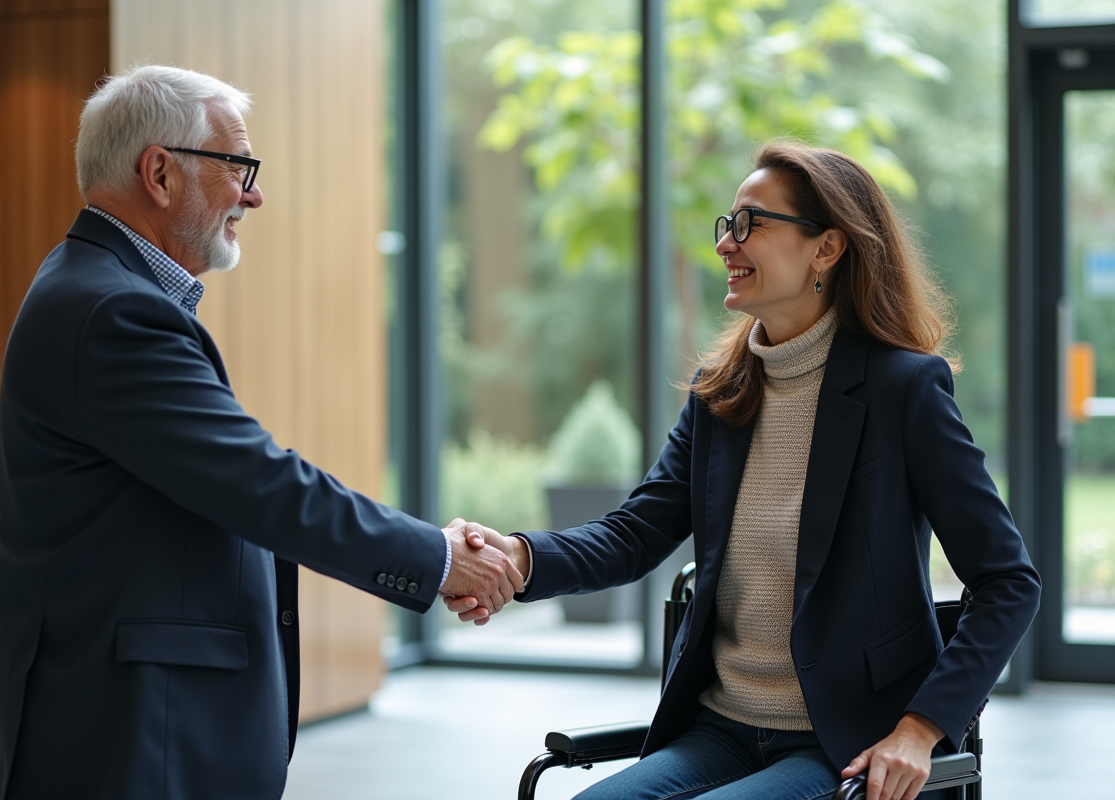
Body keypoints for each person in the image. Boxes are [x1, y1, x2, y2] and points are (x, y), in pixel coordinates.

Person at [0, 65, 521, 800]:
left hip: (116, 708)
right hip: (127, 725)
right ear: (159, 173)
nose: (253, 193)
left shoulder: (95, 287)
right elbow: (262, 485)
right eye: (238, 167)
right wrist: (437, 559)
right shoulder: (114, 314)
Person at [445, 142, 1041, 800]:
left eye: (751, 222)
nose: (728, 243)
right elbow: (636, 532)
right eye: (727, 224)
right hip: (720, 728)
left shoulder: (902, 388)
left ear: (827, 249)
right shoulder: (721, 390)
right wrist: (519, 559)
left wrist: (920, 728)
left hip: (844, 742)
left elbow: (1008, 581)